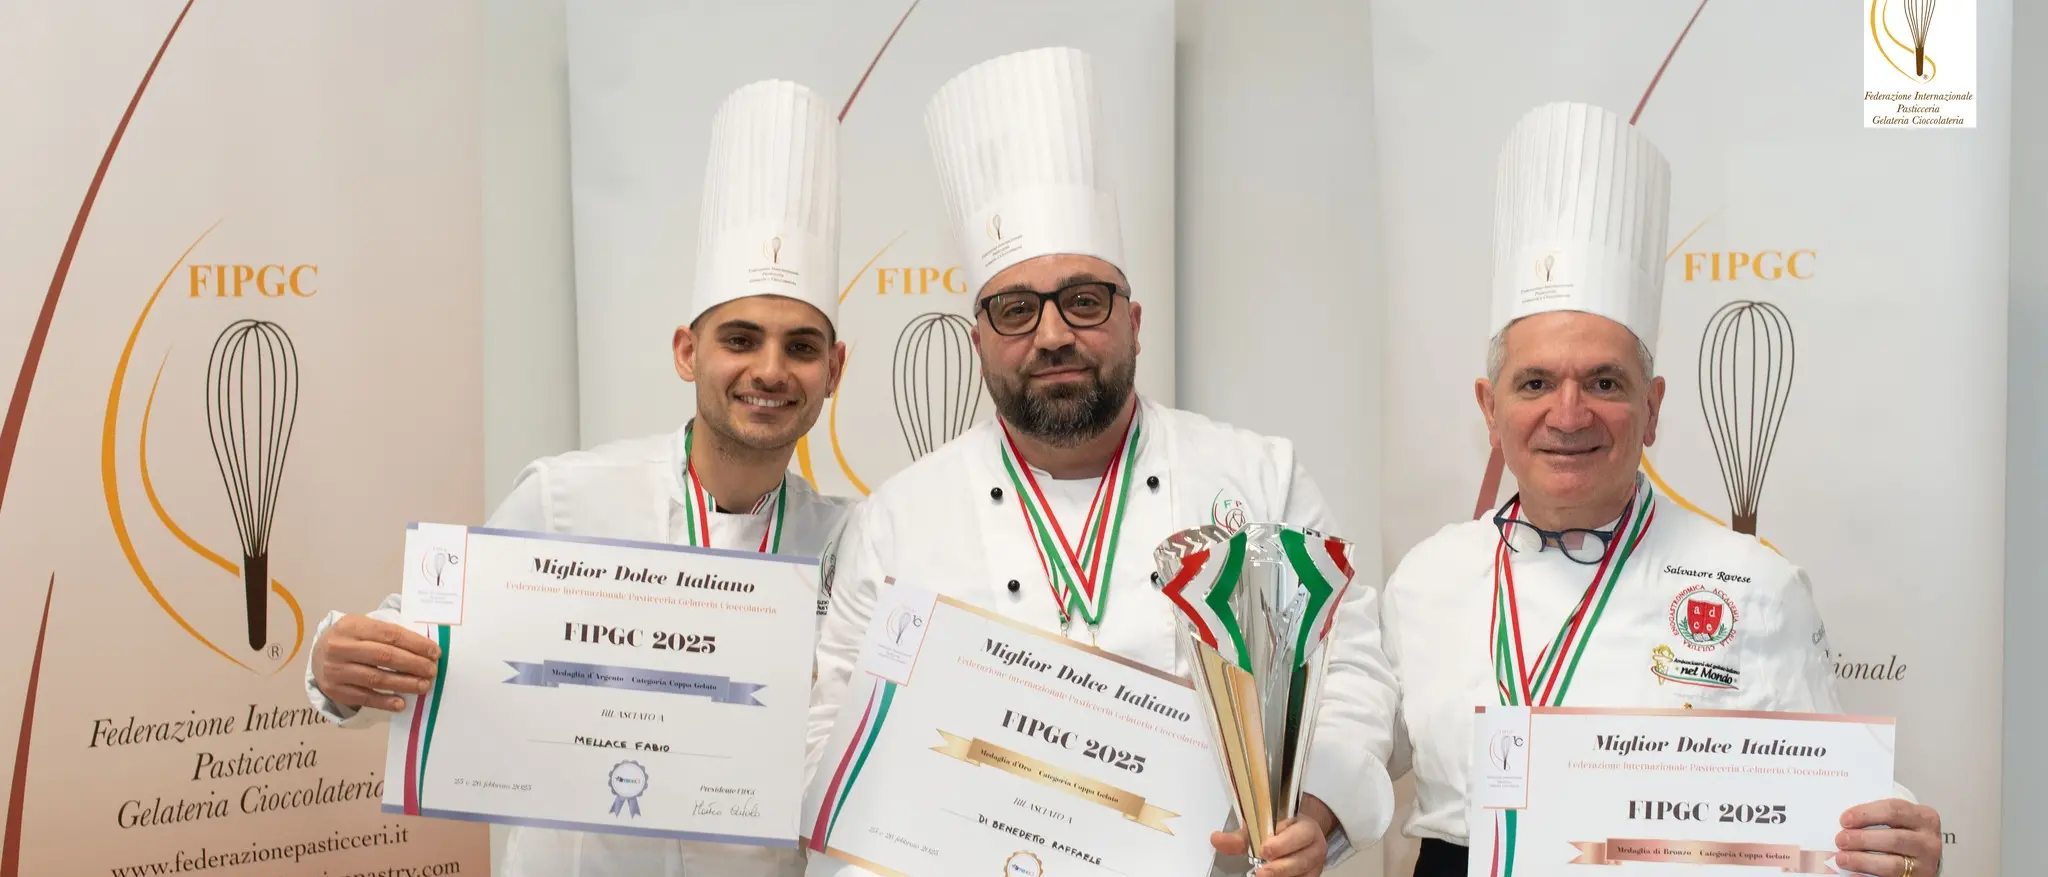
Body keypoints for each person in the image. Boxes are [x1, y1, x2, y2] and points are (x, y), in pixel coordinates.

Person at [803, 47, 1398, 877]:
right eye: (1016, 309)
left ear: (1133, 320)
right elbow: (833, 735)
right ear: (978, 341)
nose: (1052, 335)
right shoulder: (898, 519)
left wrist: (1320, 811)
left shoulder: (1259, 477)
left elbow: (1352, 670)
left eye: (1084, 299)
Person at [1376, 101, 1944, 877]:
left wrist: (1893, 843)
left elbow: (1830, 804)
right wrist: (1301, 807)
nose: (1568, 413)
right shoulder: (1425, 577)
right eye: (1535, 381)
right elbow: (1353, 755)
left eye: (1604, 381)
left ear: (1653, 408)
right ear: (1489, 408)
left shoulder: (1756, 584)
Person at [303, 79, 855, 877]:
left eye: (801, 346)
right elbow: (419, 637)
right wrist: (336, 666)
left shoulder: (852, 538)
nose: (770, 369)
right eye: (741, 338)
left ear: (834, 369)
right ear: (686, 351)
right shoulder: (567, 495)